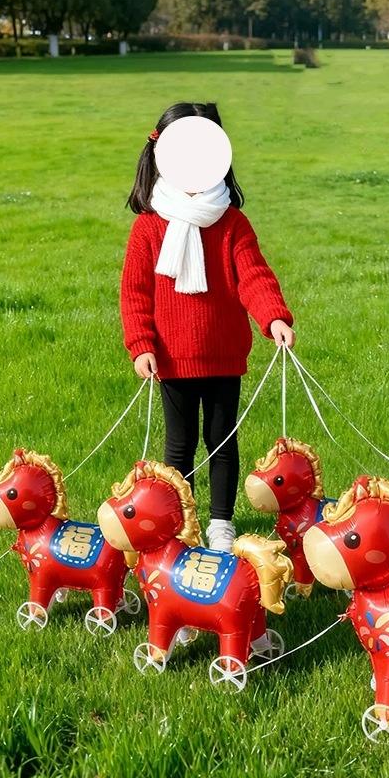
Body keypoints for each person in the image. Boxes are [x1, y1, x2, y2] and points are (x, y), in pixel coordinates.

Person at [120, 101, 295, 553]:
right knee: (179, 446)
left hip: (223, 355)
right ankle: (180, 520)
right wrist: (141, 344)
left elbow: (253, 275)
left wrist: (273, 316)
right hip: (172, 358)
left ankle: (220, 523)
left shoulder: (231, 223)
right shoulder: (148, 228)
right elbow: (135, 293)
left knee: (222, 441)